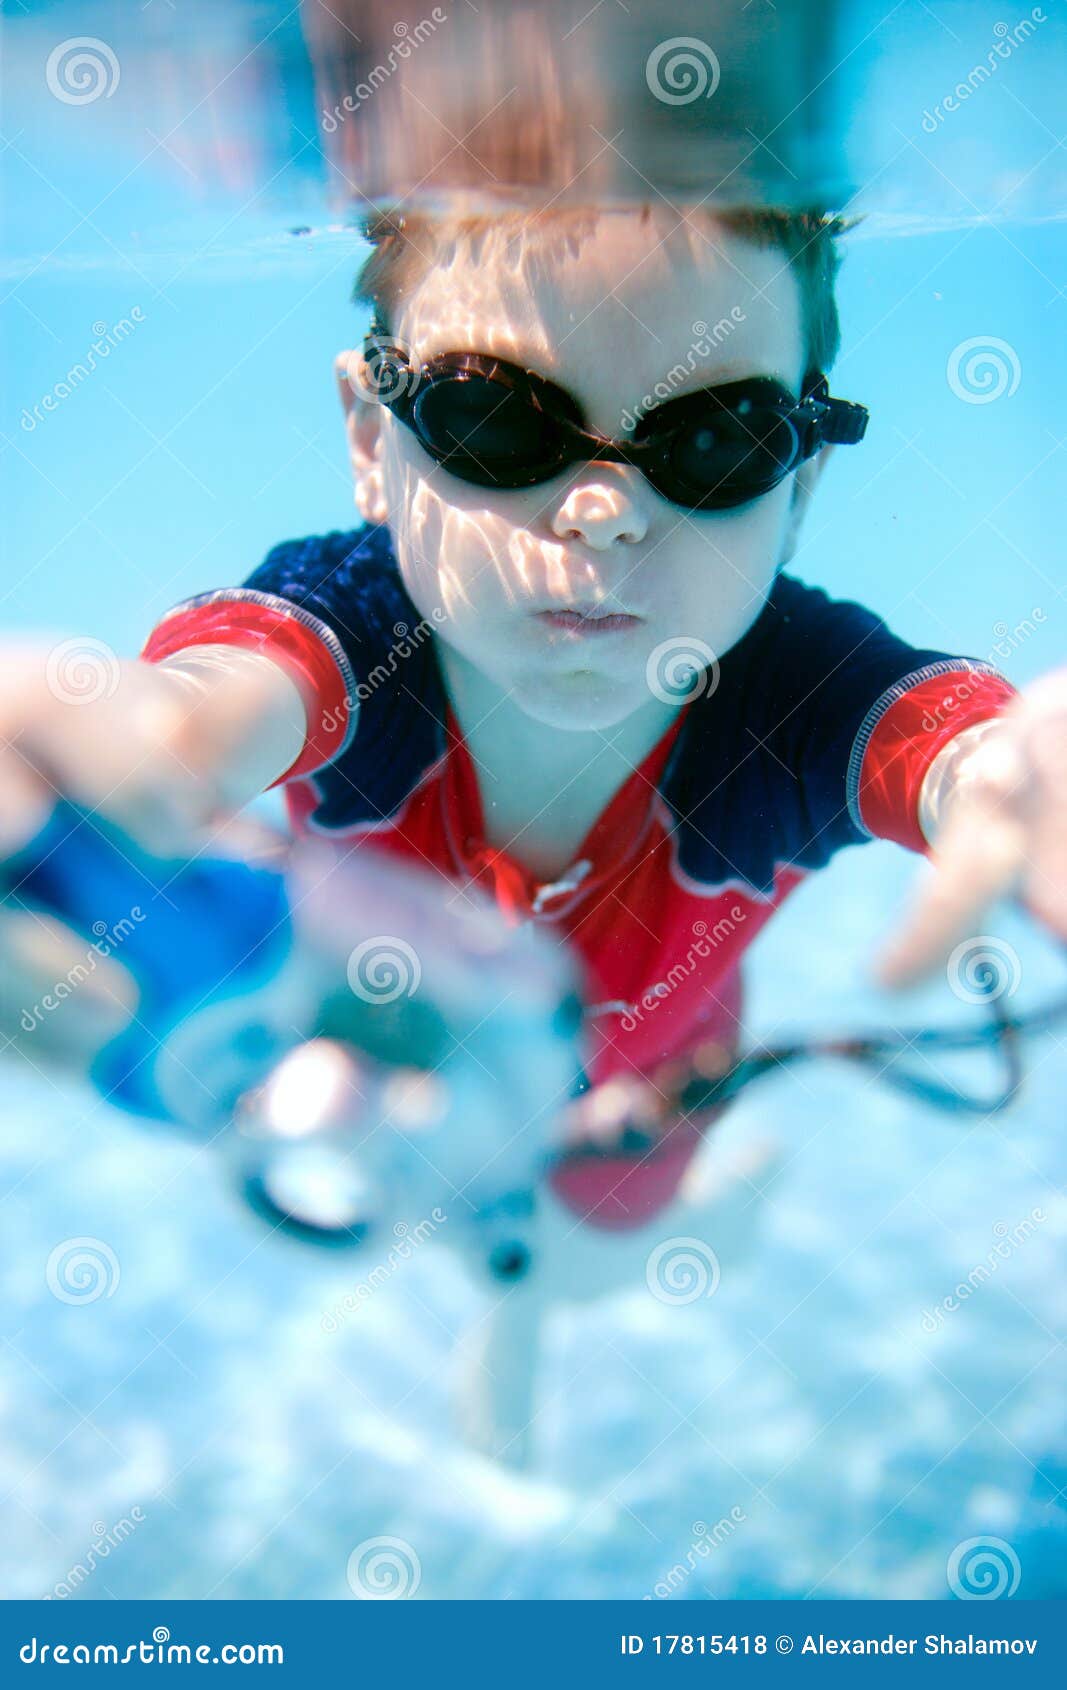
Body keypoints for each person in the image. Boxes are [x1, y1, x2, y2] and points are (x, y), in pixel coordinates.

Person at [2, 204, 1063, 1229]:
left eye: (720, 440)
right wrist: (114, 750)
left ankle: (690, 1224)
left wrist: (1018, 770)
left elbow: (967, 755)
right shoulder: (347, 623)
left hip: (654, 1082)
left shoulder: (809, 696)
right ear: (371, 439)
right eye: (491, 419)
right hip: (420, 1057)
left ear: (800, 486)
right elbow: (206, 709)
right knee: (403, 1170)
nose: (602, 512)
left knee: (615, 1236)